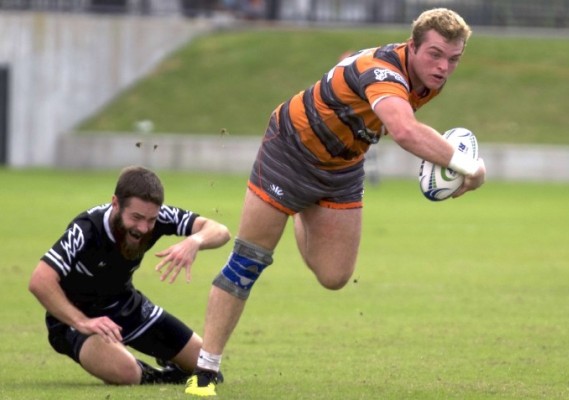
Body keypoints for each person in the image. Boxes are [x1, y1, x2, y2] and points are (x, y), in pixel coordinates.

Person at [185, 8, 486, 396]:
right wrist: (472, 169)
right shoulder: (382, 70)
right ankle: (206, 370)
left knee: (334, 276)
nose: (444, 67)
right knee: (249, 261)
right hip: (289, 152)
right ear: (411, 46)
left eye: (454, 59)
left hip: (342, 167)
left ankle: (299, 212)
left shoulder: (428, 78)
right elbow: (405, 130)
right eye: (435, 54)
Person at [28, 165, 231, 385]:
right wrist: (83, 322)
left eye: (151, 220)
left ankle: (167, 360)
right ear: (115, 203)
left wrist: (195, 241)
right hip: (74, 320)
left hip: (126, 307)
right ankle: (151, 374)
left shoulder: (157, 217)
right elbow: (40, 280)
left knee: (207, 368)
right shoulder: (86, 229)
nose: (143, 228)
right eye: (136, 217)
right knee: (127, 373)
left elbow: (221, 231)